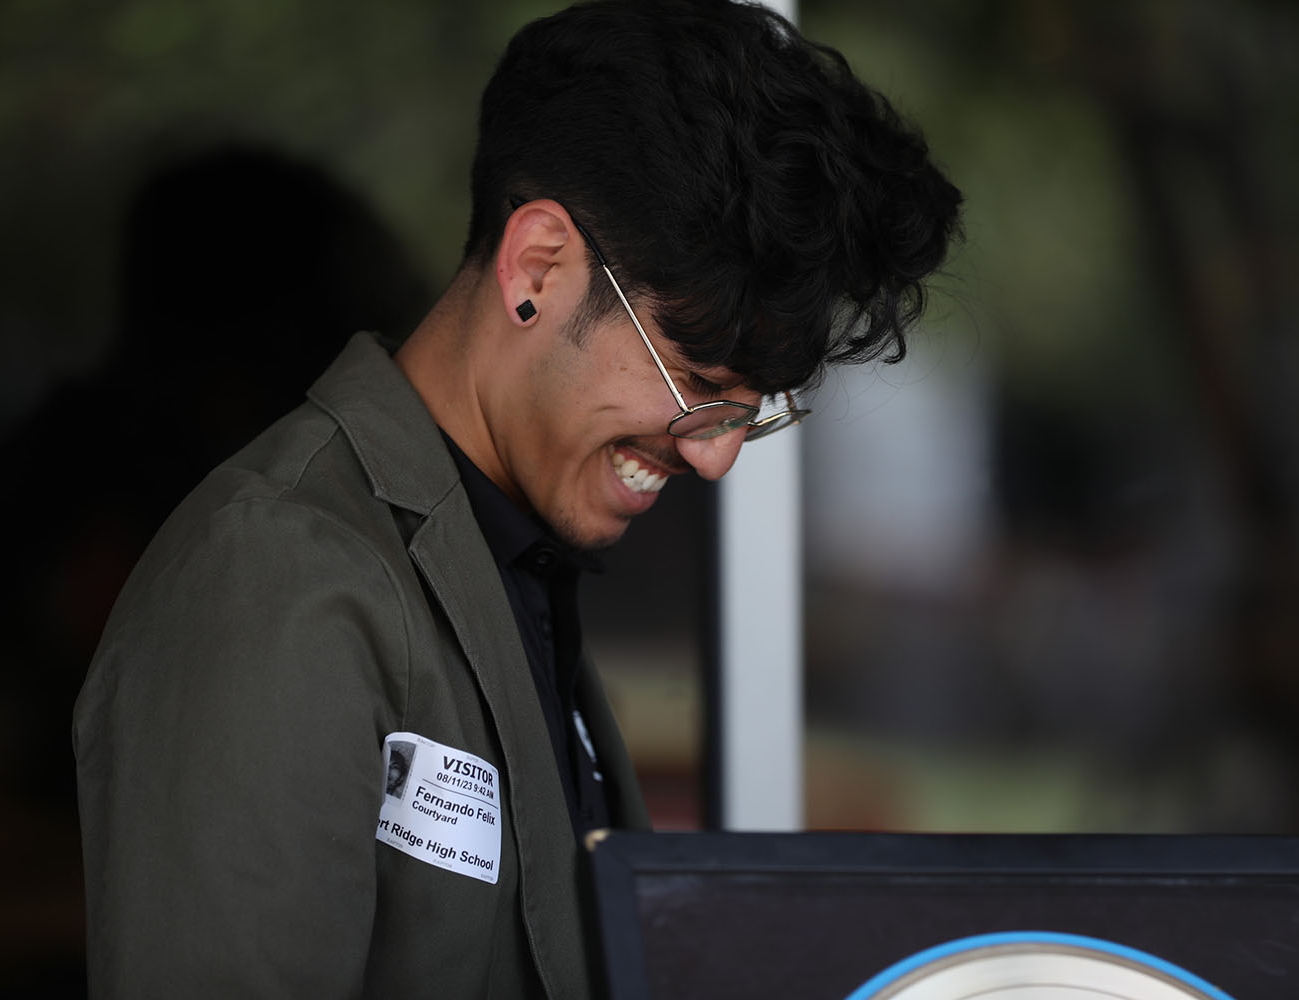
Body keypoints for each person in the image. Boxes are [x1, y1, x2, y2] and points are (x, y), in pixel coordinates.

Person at [72, 1, 962, 996]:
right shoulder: (272, 578)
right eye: (694, 385)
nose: (715, 462)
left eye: (747, 415)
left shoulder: (510, 564)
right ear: (537, 266)